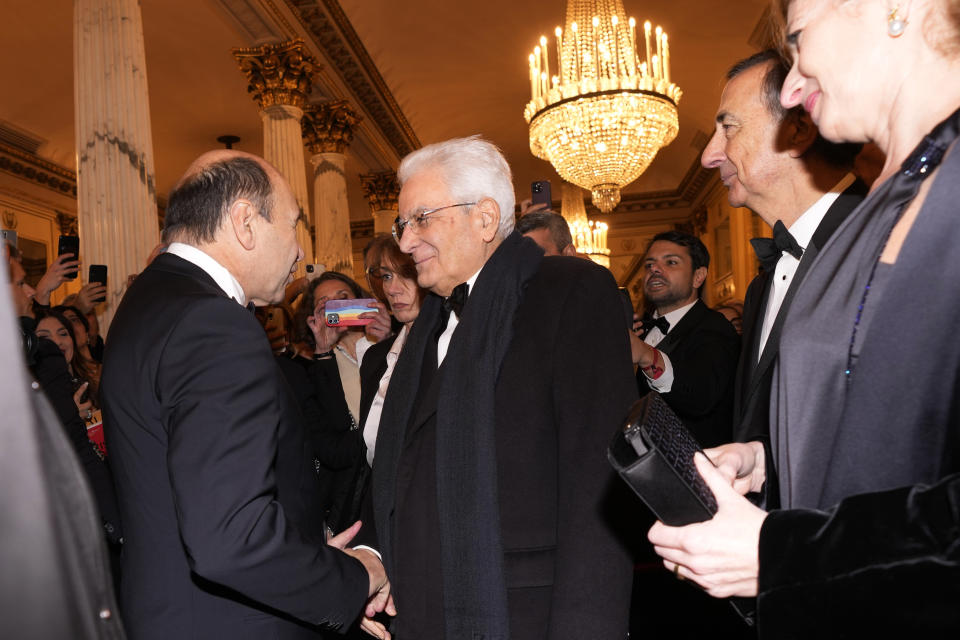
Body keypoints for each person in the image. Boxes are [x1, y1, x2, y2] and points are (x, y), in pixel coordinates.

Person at [648, 0, 960, 636]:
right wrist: (771, 459)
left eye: (798, 41)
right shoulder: (898, 194)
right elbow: (901, 431)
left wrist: (780, 552)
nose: (792, 86)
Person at [101, 150, 393, 640]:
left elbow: (196, 489)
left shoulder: (147, 300)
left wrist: (308, 554)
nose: (300, 251)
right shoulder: (213, 323)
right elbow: (229, 539)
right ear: (245, 223)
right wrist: (358, 577)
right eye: (293, 225)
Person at [369, 135, 636, 639]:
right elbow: (401, 468)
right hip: (421, 611)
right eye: (402, 224)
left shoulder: (570, 292)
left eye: (422, 219)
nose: (405, 242)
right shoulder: (427, 322)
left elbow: (597, 482)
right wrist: (376, 556)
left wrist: (587, 628)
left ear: (486, 218)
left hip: (523, 614)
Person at [701, 49, 865, 507]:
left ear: (798, 129)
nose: (709, 156)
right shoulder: (760, 285)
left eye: (727, 128)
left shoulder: (882, 241)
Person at [633, 231, 740, 448]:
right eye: (649, 264)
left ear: (698, 276)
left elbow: (700, 397)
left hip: (691, 469)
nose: (654, 270)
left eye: (671, 262)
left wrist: (646, 355)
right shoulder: (637, 329)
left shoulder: (715, 328)